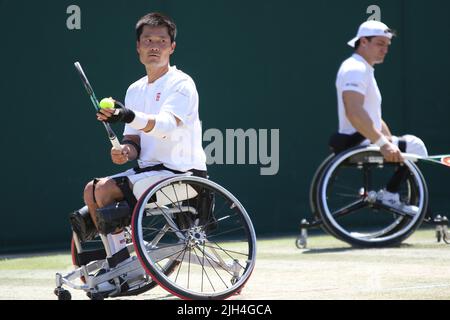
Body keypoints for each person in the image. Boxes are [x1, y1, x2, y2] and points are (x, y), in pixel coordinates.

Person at [71, 12, 207, 290]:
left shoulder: (182, 83)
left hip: (184, 175)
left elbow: (167, 126)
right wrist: (124, 151)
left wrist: (127, 115)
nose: (154, 46)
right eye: (148, 40)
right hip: (149, 173)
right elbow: (133, 143)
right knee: (91, 189)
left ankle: (123, 268)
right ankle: (118, 263)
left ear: (172, 47)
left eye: (161, 40)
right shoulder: (135, 89)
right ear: (138, 48)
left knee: (106, 190)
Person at [334, 20, 428, 212]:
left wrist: (390, 142)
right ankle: (390, 195)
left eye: (387, 45)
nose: (385, 49)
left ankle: (391, 195)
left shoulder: (363, 69)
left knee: (408, 145)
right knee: (416, 146)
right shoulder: (355, 69)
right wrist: (384, 144)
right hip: (357, 142)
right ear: (363, 42)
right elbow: (354, 111)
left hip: (362, 139)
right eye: (379, 43)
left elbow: (373, 117)